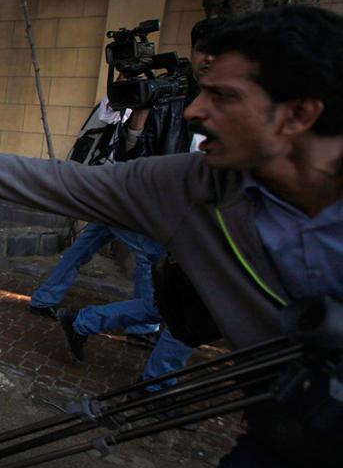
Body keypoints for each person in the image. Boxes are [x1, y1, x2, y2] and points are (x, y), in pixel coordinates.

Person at [0, 5, 342, 468]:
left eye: (223, 96)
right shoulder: (194, 187)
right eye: (201, 90)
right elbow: (66, 183)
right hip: (286, 437)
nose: (195, 112)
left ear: (299, 114)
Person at [35, 19, 226, 385]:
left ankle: (82, 320)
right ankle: (151, 370)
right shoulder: (162, 95)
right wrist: (137, 112)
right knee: (166, 286)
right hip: (131, 202)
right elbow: (124, 145)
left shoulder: (203, 96)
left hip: (150, 207)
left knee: (148, 290)